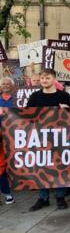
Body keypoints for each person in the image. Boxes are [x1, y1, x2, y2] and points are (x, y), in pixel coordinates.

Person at [27, 69, 70, 211]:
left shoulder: (64, 96)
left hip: (59, 138)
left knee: (59, 167)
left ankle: (60, 197)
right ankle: (43, 198)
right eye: (42, 78)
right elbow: (26, 117)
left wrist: (67, 110)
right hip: (40, 138)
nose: (44, 80)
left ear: (54, 79)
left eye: (47, 78)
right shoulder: (34, 97)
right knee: (41, 167)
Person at [0, 77, 15, 205]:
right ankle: (6, 191)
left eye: (8, 83)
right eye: (3, 84)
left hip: (15, 135)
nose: (5, 85)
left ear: (12, 85)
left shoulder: (18, 99)